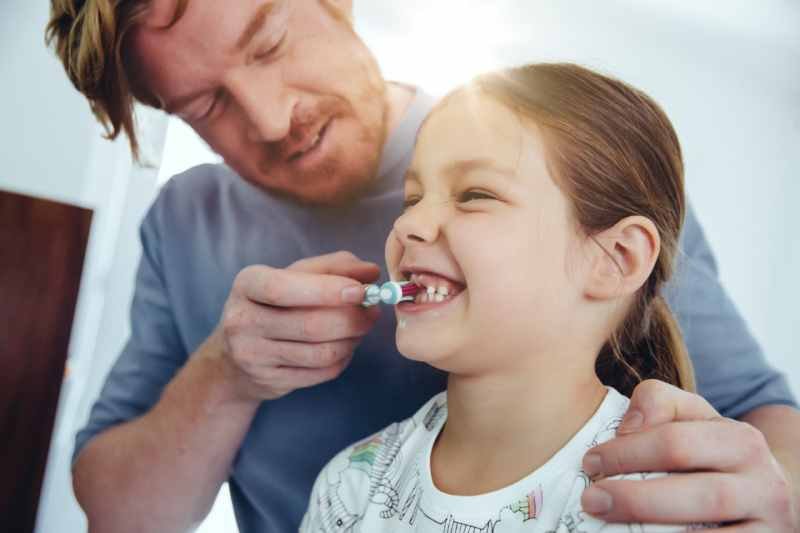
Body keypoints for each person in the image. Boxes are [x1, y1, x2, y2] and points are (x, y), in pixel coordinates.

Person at [45, 1, 799, 532]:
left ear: (618, 258)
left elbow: (768, 426)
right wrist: (228, 374)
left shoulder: (578, 171)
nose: (272, 119)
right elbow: (116, 513)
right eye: (207, 105)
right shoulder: (182, 224)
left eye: (269, 41)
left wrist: (772, 501)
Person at [301, 61, 710, 532]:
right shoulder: (351, 487)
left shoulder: (657, 497)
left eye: (474, 194)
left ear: (615, 258)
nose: (408, 224)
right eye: (412, 198)